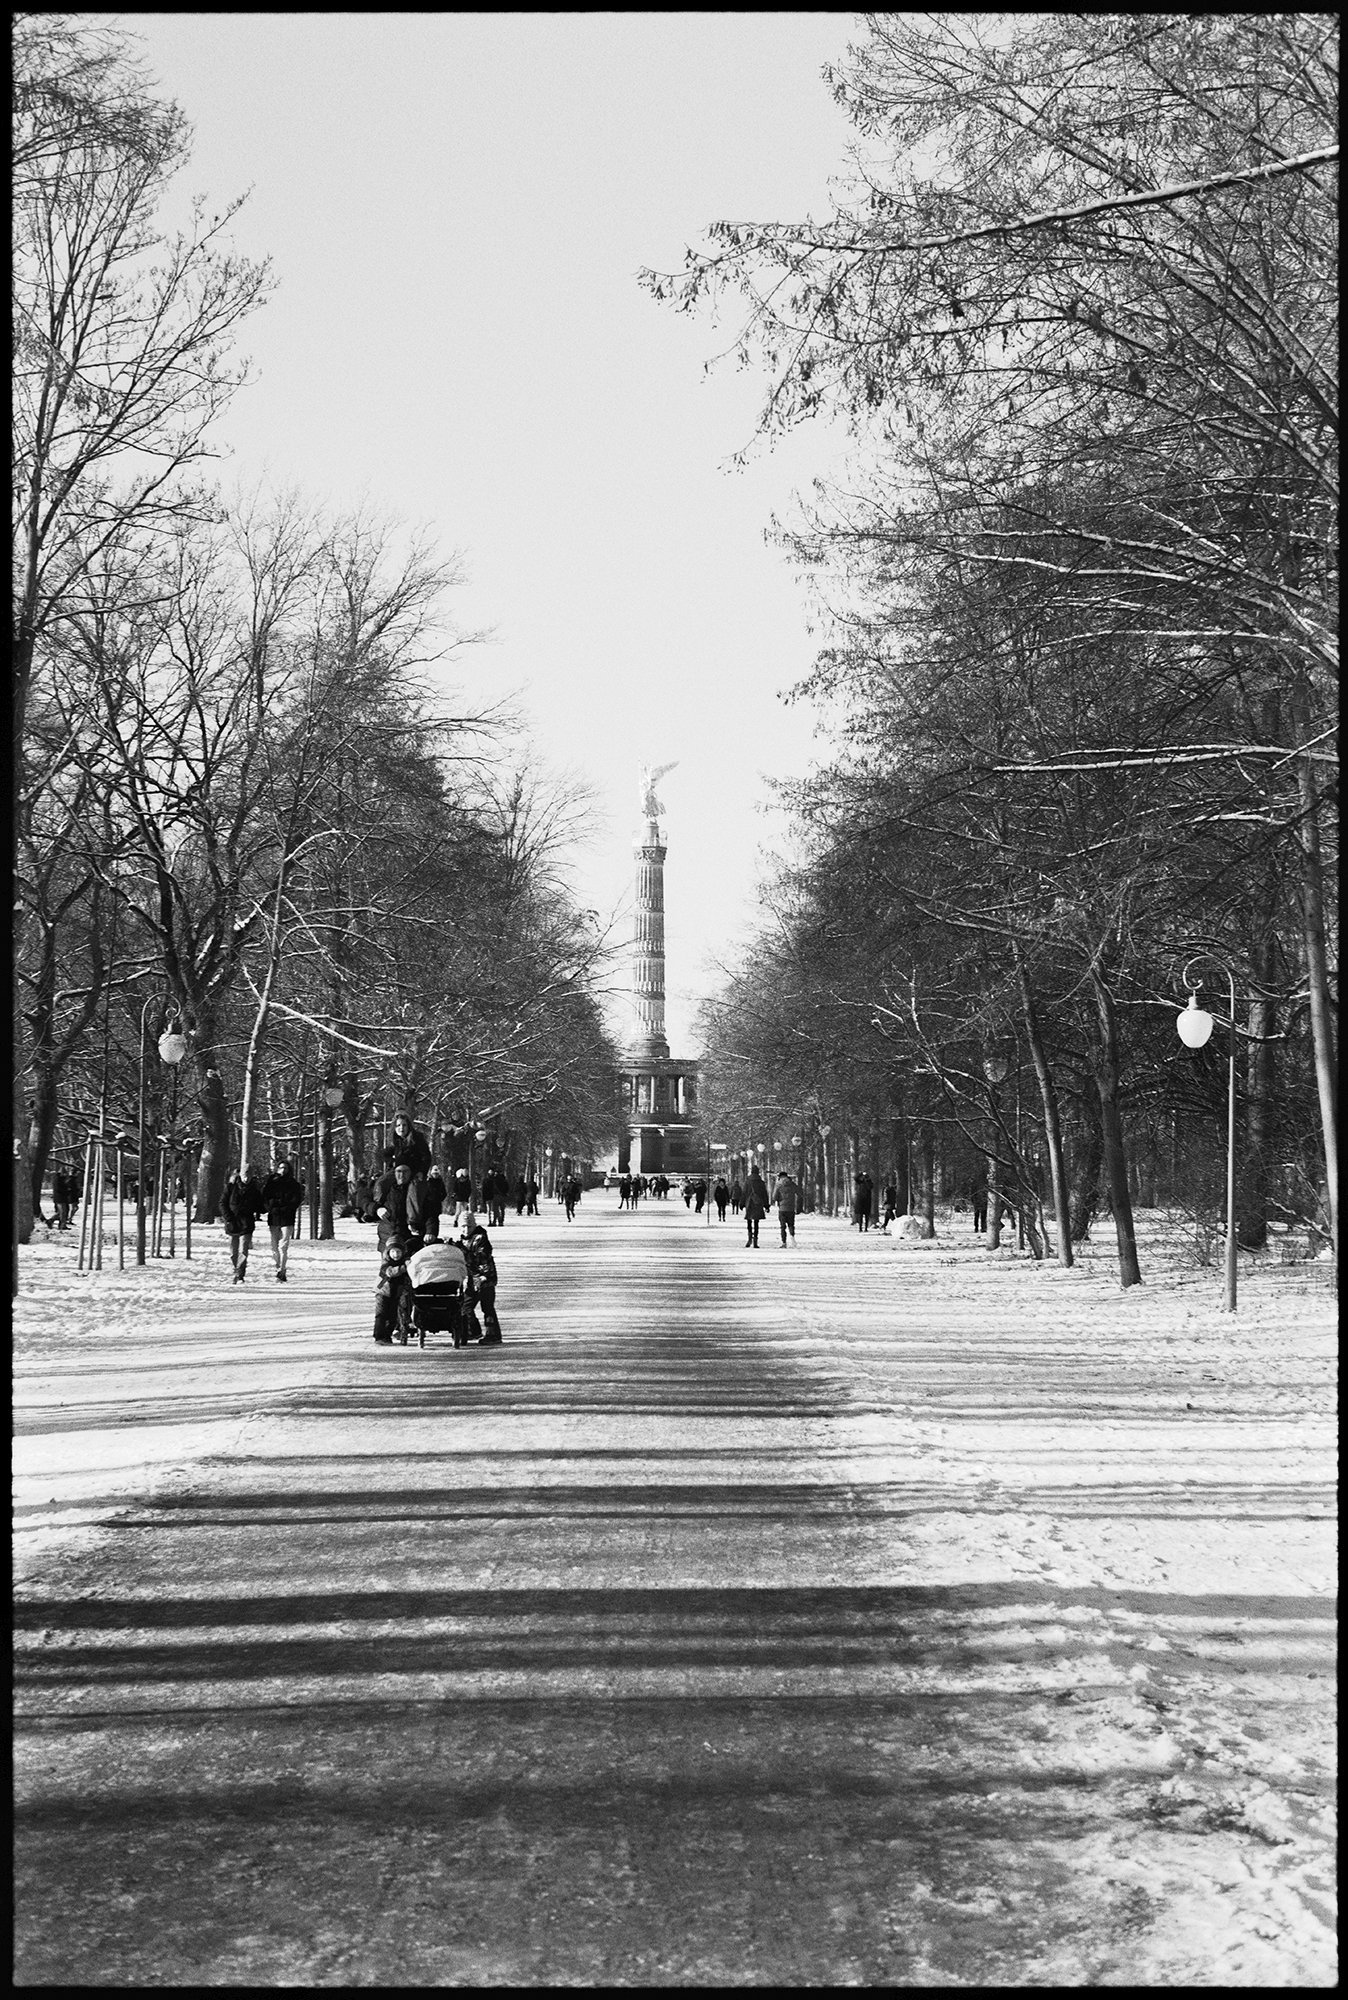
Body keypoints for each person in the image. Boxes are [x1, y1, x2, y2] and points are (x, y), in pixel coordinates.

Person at [259, 1158, 304, 1281]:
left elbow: (297, 1199)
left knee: (283, 1246)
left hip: (287, 1218)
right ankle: (277, 1266)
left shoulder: (293, 1184)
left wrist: (288, 1208)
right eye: (281, 1167)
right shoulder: (271, 1182)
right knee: (274, 1246)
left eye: (285, 1168)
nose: (283, 1170)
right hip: (274, 1216)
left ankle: (282, 1270)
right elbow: (265, 1196)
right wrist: (270, 1207)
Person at [464, 1216, 503, 1344]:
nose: (465, 1229)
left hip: (485, 1277)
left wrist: (467, 1254)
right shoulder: (465, 1240)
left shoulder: (481, 1239)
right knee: (466, 1305)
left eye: (468, 1226)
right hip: (471, 1278)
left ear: (474, 1226)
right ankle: (473, 1330)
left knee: (487, 1307)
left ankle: (493, 1334)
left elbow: (482, 1257)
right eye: (463, 1226)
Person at [221, 1166, 263, 1282]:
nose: (247, 1178)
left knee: (243, 1250)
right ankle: (236, 1267)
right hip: (232, 1223)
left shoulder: (254, 1190)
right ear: (241, 1175)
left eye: (249, 1175)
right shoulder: (231, 1187)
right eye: (245, 1175)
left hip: (246, 1223)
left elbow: (260, 1206)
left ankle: (240, 1273)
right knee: (233, 1251)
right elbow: (223, 1203)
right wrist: (228, 1217)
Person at [388, 1111, 432, 1181]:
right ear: (395, 1128)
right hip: (398, 1173)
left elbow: (426, 1157)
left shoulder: (417, 1138)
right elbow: (384, 1153)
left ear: (408, 1126)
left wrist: (421, 1172)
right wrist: (392, 1162)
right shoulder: (395, 1140)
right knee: (381, 1183)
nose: (401, 1128)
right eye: (398, 1125)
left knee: (413, 1190)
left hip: (414, 1173)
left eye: (404, 1125)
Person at [744, 1165, 769, 1248]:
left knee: (749, 1221)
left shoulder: (747, 1181)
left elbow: (744, 1192)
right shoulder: (761, 1182)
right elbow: (764, 1194)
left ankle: (749, 1238)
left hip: (749, 1202)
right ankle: (755, 1240)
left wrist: (741, 1203)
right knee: (756, 1222)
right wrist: (766, 1205)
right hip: (758, 1203)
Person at [421, 1164, 446, 1241]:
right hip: (427, 1206)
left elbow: (444, 1193)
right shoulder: (427, 1182)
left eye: (437, 1174)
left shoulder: (440, 1182)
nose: (435, 1175)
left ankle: (433, 1236)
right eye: (434, 1174)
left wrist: (439, 1199)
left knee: (435, 1221)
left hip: (436, 1206)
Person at [773, 1169, 798, 1245]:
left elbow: (774, 1197)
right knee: (791, 1224)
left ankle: (784, 1242)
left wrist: (778, 1200)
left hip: (782, 1208)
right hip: (791, 1208)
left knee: (782, 1226)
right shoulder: (792, 1184)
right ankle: (792, 1237)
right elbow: (799, 1192)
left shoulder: (778, 1185)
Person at [853, 1168, 874, 1232]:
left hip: (867, 1200)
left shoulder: (870, 1183)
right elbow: (855, 1178)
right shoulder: (860, 1182)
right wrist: (861, 1173)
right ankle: (860, 1228)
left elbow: (870, 1186)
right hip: (860, 1199)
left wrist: (867, 1178)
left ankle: (865, 1228)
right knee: (860, 1214)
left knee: (866, 1215)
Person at [970, 1167, 989, 1233]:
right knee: (981, 1215)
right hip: (981, 1201)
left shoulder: (975, 1183)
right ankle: (981, 1227)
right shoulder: (985, 1183)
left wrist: (973, 1200)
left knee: (977, 1215)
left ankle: (978, 1227)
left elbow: (972, 1193)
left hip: (978, 1201)